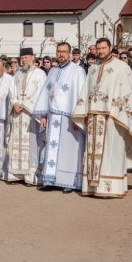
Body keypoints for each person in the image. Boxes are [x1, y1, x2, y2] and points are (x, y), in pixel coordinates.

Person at [72, 39, 132, 198]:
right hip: (94, 117)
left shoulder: (121, 67)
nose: (101, 51)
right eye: (98, 48)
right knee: (93, 153)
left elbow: (129, 92)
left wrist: (118, 111)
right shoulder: (93, 68)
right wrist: (85, 112)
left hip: (113, 117)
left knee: (112, 152)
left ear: (110, 48)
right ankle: (93, 187)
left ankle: (112, 188)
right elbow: (87, 91)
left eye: (103, 48)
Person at [32, 42, 86, 191]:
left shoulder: (78, 71)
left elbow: (80, 95)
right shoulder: (53, 71)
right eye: (59, 51)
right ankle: (51, 180)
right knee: (52, 149)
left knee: (69, 151)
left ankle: (70, 182)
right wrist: (43, 115)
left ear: (69, 53)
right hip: (52, 117)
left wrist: (78, 117)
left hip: (69, 118)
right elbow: (45, 93)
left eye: (64, 51)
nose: (61, 54)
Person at [7, 50, 47, 184]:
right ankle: (16, 174)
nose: (23, 60)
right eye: (21, 58)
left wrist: (25, 104)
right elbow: (11, 90)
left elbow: (42, 93)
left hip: (31, 113)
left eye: (26, 57)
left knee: (32, 144)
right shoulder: (17, 73)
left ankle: (31, 175)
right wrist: (14, 103)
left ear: (32, 58)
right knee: (16, 142)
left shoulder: (40, 74)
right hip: (18, 114)